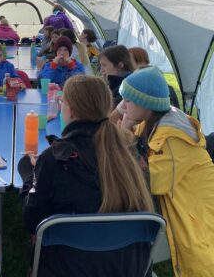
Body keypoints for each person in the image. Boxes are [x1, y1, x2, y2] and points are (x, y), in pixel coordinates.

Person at [18, 74, 154, 277]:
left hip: (65, 268)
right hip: (126, 267)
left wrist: (30, 174)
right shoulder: (130, 151)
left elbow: (32, 219)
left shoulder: (53, 159)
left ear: (70, 110)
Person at [119, 66, 214, 277]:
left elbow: (149, 183)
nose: (123, 106)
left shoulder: (171, 138)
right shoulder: (154, 121)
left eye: (128, 100)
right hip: (183, 198)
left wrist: (124, 131)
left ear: (146, 103)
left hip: (194, 210)